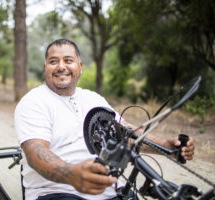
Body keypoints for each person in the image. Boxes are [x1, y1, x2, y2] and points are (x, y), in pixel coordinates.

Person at [14, 39, 195, 200]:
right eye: (53, 62)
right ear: (45, 68)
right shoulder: (34, 101)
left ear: (80, 66)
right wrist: (72, 175)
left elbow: (125, 133)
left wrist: (167, 146)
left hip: (110, 192)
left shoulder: (94, 99)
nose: (61, 66)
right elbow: (34, 152)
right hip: (56, 192)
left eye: (68, 60)